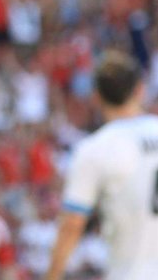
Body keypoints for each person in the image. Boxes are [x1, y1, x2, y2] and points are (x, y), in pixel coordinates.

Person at [43, 49, 158, 280]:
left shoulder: (94, 149)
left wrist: (52, 275)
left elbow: (73, 224)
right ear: (140, 89)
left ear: (95, 96)